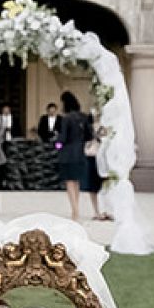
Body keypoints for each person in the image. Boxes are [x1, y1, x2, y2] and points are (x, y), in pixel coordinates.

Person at [55, 88, 99, 224]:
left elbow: (62, 138)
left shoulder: (66, 119)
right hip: (80, 153)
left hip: (67, 153)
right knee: (77, 182)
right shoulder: (84, 117)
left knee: (69, 182)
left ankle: (75, 210)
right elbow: (89, 135)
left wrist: (57, 145)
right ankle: (76, 208)